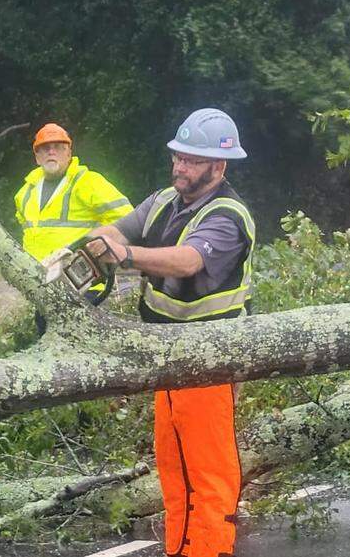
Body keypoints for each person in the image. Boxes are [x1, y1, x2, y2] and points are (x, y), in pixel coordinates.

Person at [88, 108, 253, 557]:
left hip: (210, 361)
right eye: (178, 157)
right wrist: (93, 244)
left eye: (191, 160)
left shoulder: (228, 216)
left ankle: (211, 552)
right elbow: (118, 230)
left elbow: (188, 261)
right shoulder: (164, 200)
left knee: (209, 475)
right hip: (169, 358)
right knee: (174, 469)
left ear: (218, 166)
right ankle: (179, 550)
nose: (180, 166)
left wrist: (125, 257)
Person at [13, 123, 133, 329]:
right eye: (45, 148)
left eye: (58, 147)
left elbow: (129, 221)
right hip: (42, 284)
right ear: (37, 156)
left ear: (69, 153)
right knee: (44, 334)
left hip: (84, 284)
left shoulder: (88, 182)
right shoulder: (25, 193)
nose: (52, 152)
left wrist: (105, 250)